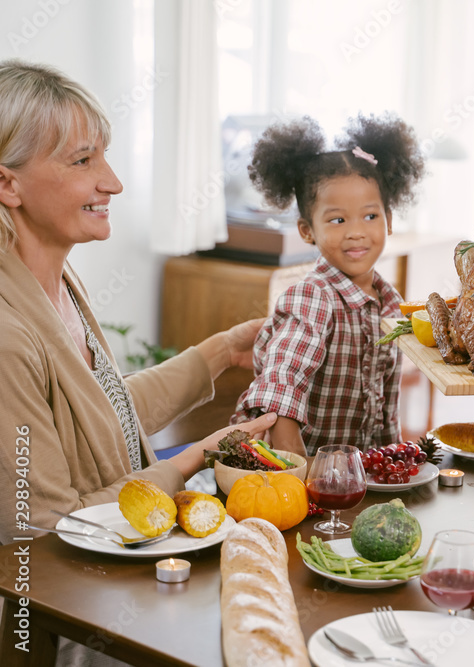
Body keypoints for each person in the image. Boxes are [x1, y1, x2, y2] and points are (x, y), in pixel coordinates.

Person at [0, 58, 277, 551]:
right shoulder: (8, 338)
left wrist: (221, 352)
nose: (113, 182)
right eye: (82, 161)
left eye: (104, 157)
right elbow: (45, 528)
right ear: (7, 184)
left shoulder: (59, 282)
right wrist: (191, 459)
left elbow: (104, 417)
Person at [231, 114, 424, 456]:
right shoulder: (314, 297)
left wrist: (389, 464)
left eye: (370, 216)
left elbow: (383, 411)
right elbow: (282, 382)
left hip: (357, 480)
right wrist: (299, 473)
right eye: (337, 220)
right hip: (294, 481)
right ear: (307, 230)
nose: (356, 231)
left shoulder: (391, 302)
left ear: (389, 220)